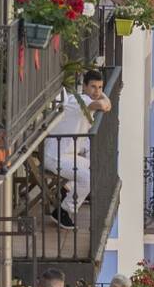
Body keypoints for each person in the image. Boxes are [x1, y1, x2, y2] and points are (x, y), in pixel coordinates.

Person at [43, 69, 113, 228]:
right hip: (55, 156)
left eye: (100, 87)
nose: (97, 91)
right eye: (93, 87)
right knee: (88, 179)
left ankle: (67, 190)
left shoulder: (82, 100)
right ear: (85, 87)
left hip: (65, 154)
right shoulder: (80, 102)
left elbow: (106, 104)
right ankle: (62, 212)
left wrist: (102, 95)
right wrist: (102, 97)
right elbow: (104, 105)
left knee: (92, 166)